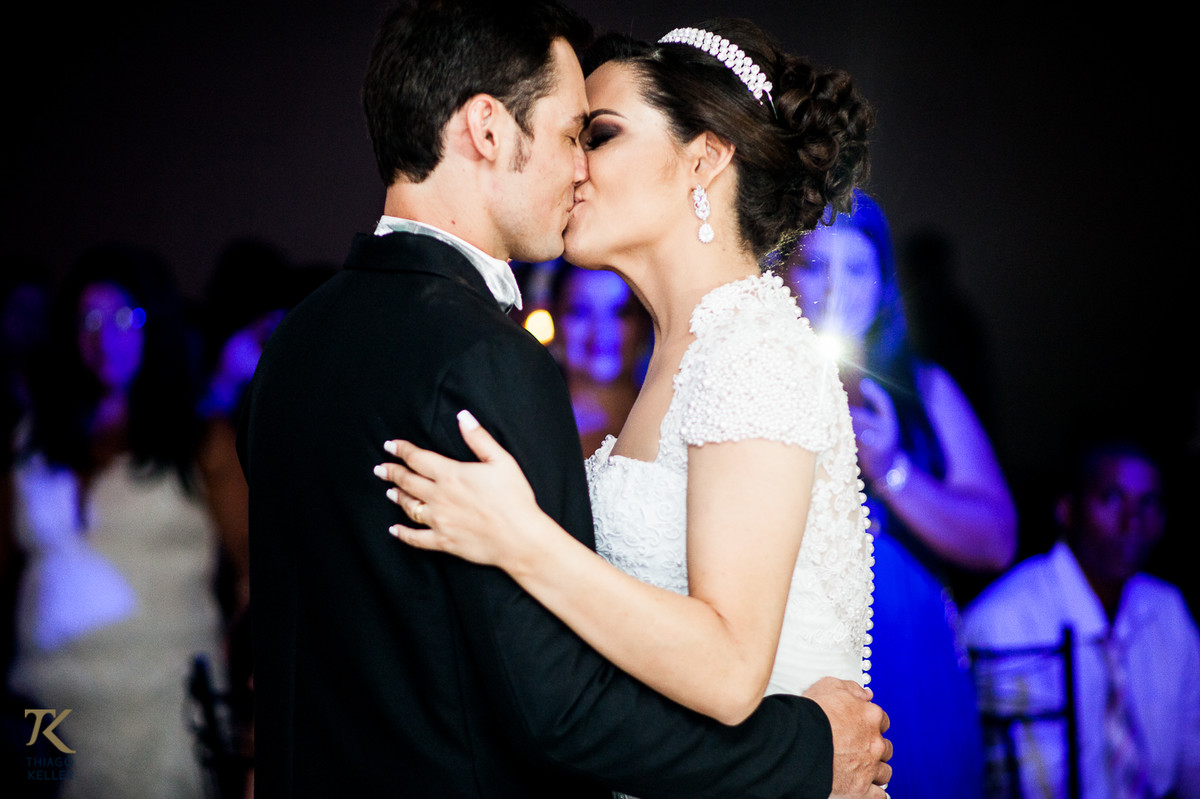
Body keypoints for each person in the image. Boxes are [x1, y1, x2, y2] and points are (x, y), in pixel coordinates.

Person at [239, 1, 889, 797]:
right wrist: (806, 755)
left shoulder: (753, 350)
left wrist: (524, 539)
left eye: (600, 134)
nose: (577, 165)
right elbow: (553, 699)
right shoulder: (553, 357)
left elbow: (722, 663)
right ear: (486, 128)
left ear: (704, 161)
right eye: (575, 134)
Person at [783, 190, 1017, 797]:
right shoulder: (757, 380)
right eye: (815, 264)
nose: (835, 288)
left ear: (882, 282)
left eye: (856, 267)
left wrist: (893, 473)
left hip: (909, 644)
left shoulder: (922, 387)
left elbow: (997, 539)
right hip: (800, 654)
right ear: (783, 272)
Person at [5, 244, 229, 798]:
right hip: (47, 707)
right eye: (91, 318)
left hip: (161, 704)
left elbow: (254, 575)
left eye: (126, 318)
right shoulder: (33, 441)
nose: (106, 336)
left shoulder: (200, 441)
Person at [963, 440, 1200, 798]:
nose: (1133, 520)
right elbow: (1034, 785)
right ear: (1067, 509)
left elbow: (1192, 757)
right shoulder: (1006, 622)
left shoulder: (1166, 609)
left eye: (1149, 503)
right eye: (1112, 499)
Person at [551, 264, 651, 455]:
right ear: (556, 322)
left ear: (644, 325)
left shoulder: (671, 418)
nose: (601, 331)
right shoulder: (529, 425)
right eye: (580, 311)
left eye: (620, 312)